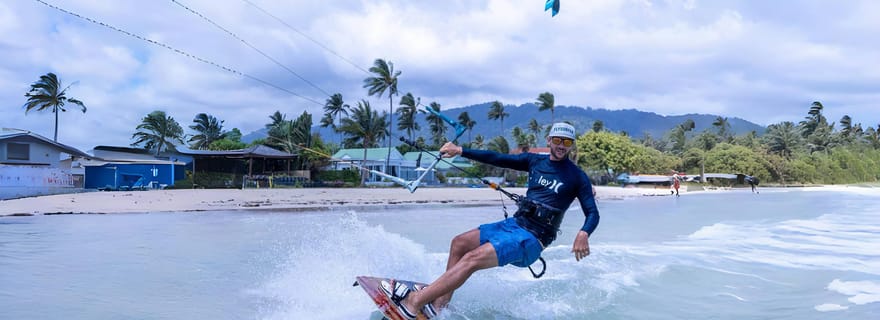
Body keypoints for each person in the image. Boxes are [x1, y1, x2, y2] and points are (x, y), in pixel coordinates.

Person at [380, 122, 600, 319]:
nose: (562, 145)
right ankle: (439, 305)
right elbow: (497, 157)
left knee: (473, 259)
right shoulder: (535, 161)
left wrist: (583, 233)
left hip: (532, 239)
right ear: (549, 140)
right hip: (514, 225)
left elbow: (592, 213)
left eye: (567, 142)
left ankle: (414, 302)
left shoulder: (577, 176)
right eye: (558, 140)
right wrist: (461, 150)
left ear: (571, 145)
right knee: (459, 243)